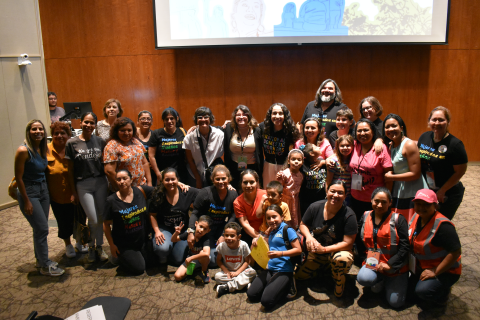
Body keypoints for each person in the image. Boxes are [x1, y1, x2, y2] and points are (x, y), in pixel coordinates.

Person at [15, 119, 65, 276]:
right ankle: (45, 265)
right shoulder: (23, 150)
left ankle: (40, 260)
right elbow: (19, 178)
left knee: (39, 229)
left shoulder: (41, 149)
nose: (38, 132)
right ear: (28, 132)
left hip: (43, 190)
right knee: (43, 228)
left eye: (40, 129)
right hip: (29, 192)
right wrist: (26, 201)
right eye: (34, 129)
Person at [295, 181, 357, 298]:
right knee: (299, 276)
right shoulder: (315, 206)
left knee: (343, 258)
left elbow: (348, 243)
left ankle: (339, 279)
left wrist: (324, 250)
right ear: (327, 191)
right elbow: (303, 224)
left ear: (345, 195)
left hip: (335, 252)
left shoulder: (349, 215)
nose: (335, 195)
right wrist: (308, 237)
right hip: (316, 252)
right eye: (332, 191)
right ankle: (324, 268)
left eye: (340, 193)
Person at [65, 112, 109, 262]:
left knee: (101, 217)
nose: (89, 125)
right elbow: (69, 170)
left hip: (100, 182)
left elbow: (104, 164)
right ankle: (91, 246)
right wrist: (73, 192)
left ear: (95, 125)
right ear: (81, 123)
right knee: (93, 217)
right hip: (83, 184)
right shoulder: (72, 143)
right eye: (86, 122)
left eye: (92, 123)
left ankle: (99, 247)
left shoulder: (100, 141)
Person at [357, 187, 409, 308]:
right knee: (364, 278)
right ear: (371, 201)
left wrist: (390, 264)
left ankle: (392, 280)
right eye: (376, 201)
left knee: (396, 303)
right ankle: (380, 279)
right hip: (374, 260)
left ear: (390, 203)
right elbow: (359, 241)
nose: (379, 205)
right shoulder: (365, 216)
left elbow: (405, 246)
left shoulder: (398, 220)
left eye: (384, 202)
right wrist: (365, 258)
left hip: (396, 265)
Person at [408, 189, 462, 304]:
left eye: (426, 204)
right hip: (423, 266)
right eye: (418, 204)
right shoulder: (416, 217)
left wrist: (435, 271)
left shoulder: (443, 226)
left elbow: (455, 252)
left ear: (435, 206)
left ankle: (443, 294)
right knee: (408, 294)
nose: (421, 208)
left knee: (423, 291)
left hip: (446, 270)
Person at [247, 205, 302, 310]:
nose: (271, 220)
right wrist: (257, 240)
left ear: (281, 217)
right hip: (270, 268)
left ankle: (288, 285)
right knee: (252, 295)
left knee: (267, 302)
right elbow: (270, 242)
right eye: (268, 218)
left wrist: (280, 254)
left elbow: (298, 250)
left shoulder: (287, 229)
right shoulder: (272, 230)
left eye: (274, 217)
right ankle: (273, 286)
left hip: (284, 269)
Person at [417, 106, 467, 220]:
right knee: (426, 221)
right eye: (434, 119)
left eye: (441, 120)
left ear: (448, 122)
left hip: (448, 193)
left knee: (440, 223)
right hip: (430, 190)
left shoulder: (455, 145)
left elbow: (460, 172)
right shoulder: (424, 137)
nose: (437, 123)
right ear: (429, 121)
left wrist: (442, 191)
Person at [46, 121, 87, 258]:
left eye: (63, 133)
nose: (59, 136)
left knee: (80, 219)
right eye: (56, 133)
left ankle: (79, 242)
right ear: (52, 135)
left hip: (78, 192)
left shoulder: (74, 148)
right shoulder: (45, 150)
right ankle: (68, 244)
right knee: (63, 222)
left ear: (69, 135)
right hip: (57, 195)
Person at [103, 170, 154, 275]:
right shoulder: (111, 200)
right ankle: (120, 257)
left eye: (125, 178)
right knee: (139, 268)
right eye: (118, 179)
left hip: (142, 240)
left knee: (153, 263)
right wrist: (111, 245)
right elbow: (106, 224)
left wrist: (179, 183)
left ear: (131, 180)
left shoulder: (141, 191)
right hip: (125, 244)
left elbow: (162, 189)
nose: (122, 182)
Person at [188, 165, 238, 268]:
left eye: (223, 178)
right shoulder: (205, 193)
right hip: (206, 230)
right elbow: (195, 213)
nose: (221, 182)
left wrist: (224, 234)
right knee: (213, 261)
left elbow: (233, 216)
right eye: (217, 179)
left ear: (229, 179)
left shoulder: (233, 194)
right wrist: (190, 231)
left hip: (221, 228)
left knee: (217, 258)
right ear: (212, 180)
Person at [149, 168, 198, 266]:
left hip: (183, 229)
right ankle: (164, 253)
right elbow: (152, 215)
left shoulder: (186, 191)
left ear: (178, 179)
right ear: (162, 181)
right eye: (167, 180)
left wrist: (228, 186)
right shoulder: (158, 195)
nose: (170, 182)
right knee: (162, 249)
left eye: (173, 179)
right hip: (165, 228)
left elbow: (207, 192)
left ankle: (173, 249)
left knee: (178, 260)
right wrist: (157, 231)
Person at [383, 114, 427, 221]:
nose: (390, 129)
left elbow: (415, 174)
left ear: (401, 128)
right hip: (399, 190)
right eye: (387, 127)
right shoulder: (391, 145)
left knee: (411, 223)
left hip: (411, 191)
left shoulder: (409, 145)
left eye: (394, 126)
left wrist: (391, 177)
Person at [349, 119, 393, 221]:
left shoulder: (381, 149)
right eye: (359, 131)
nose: (362, 133)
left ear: (373, 132)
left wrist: (387, 198)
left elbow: (389, 177)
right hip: (355, 197)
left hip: (375, 201)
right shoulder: (354, 145)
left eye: (366, 130)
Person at [104, 117, 152, 189]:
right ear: (116, 131)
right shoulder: (112, 145)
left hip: (142, 186)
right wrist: (122, 187)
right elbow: (109, 171)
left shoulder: (135, 141)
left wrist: (149, 182)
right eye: (122, 130)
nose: (126, 133)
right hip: (125, 189)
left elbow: (144, 163)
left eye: (129, 130)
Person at [224, 105, 264, 189]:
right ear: (234, 117)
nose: (241, 117)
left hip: (252, 167)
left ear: (249, 116)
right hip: (234, 168)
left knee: (251, 191)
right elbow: (213, 128)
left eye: (244, 114)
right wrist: (196, 127)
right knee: (235, 191)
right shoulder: (229, 128)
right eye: (238, 115)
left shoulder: (257, 130)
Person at [183, 107, 224, 188]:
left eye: (206, 117)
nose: (203, 119)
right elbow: (190, 161)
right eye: (200, 117)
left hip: (215, 174)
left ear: (210, 118)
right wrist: (198, 179)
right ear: (196, 120)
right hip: (196, 174)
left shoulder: (219, 134)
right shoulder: (189, 138)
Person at [260, 103, 298, 186]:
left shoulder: (290, 129)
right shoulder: (263, 127)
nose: (277, 116)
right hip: (268, 166)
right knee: (268, 191)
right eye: (274, 113)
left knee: (283, 194)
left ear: (285, 115)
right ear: (270, 115)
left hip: (284, 167)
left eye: (280, 113)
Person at [215, 222, 257, 298]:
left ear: (238, 237)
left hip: (241, 271)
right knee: (217, 277)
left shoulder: (244, 245)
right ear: (223, 235)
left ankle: (227, 287)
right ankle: (243, 283)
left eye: (232, 236)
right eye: (226, 235)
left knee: (252, 272)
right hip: (229, 272)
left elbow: (247, 261)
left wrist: (237, 272)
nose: (228, 238)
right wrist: (226, 271)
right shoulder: (221, 246)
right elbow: (218, 260)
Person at [149, 107, 187, 184]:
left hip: (180, 174)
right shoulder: (157, 133)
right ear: (163, 120)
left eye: (172, 118)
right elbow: (151, 156)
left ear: (177, 118)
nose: (169, 121)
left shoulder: (182, 132)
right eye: (166, 119)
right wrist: (158, 174)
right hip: (163, 174)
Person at [172, 216, 213, 283]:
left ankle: (204, 271)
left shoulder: (206, 239)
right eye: (201, 226)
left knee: (204, 254)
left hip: (201, 260)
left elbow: (206, 254)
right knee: (177, 277)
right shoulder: (189, 234)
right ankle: (195, 270)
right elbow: (173, 240)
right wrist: (176, 233)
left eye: (205, 229)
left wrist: (191, 258)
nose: (202, 230)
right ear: (196, 223)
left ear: (208, 231)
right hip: (191, 261)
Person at [234, 169, 266, 245]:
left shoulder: (266, 195)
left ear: (257, 183)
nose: (248, 185)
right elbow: (245, 225)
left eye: (252, 182)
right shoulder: (237, 202)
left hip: (269, 233)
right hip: (250, 236)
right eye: (245, 182)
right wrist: (261, 238)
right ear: (241, 184)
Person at [300, 143, 331, 215]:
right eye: (316, 147)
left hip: (321, 198)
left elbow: (335, 158)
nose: (319, 147)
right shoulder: (303, 165)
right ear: (311, 153)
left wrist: (323, 162)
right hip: (308, 200)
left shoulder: (322, 161)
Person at [276, 149, 304, 228]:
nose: (296, 162)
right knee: (285, 217)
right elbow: (280, 187)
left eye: (299, 160)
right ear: (288, 161)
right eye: (293, 159)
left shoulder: (301, 175)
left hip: (295, 200)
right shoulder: (284, 173)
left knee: (294, 216)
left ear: (302, 162)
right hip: (285, 200)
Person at [326, 135, 354, 204]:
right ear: (338, 147)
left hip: (350, 195)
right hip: (337, 194)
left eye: (348, 145)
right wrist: (327, 194)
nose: (345, 148)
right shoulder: (334, 161)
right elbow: (328, 180)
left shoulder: (354, 160)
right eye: (342, 146)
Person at [136, 110, 155, 185]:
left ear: (151, 121)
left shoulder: (155, 135)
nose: (146, 121)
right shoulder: (132, 135)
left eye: (148, 119)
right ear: (138, 121)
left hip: (152, 172)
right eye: (143, 118)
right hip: (137, 171)